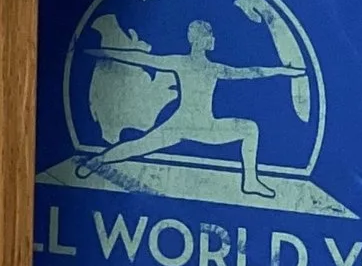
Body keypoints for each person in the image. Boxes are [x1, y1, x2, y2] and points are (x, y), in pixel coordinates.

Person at [92, 15, 303, 197]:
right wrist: (105, 52)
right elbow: (141, 58)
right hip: (181, 124)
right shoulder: (180, 62)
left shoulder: (215, 68)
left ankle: (250, 182)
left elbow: (251, 71)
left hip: (204, 126)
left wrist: (283, 71)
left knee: (249, 129)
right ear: (198, 39)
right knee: (140, 145)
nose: (213, 39)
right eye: (209, 35)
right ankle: (99, 160)